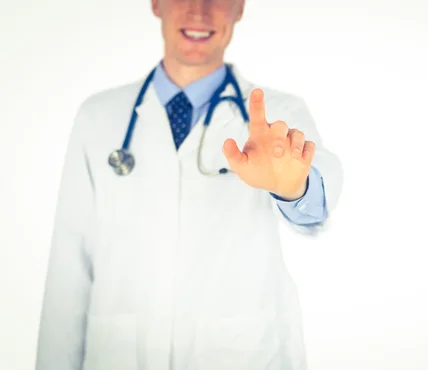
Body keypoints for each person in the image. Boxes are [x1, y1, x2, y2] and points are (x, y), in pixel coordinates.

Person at [34, 0, 343, 369]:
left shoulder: (278, 115)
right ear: (155, 4)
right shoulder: (98, 117)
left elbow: (319, 195)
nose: (200, 10)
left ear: (240, 7)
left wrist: (294, 188)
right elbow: (69, 269)